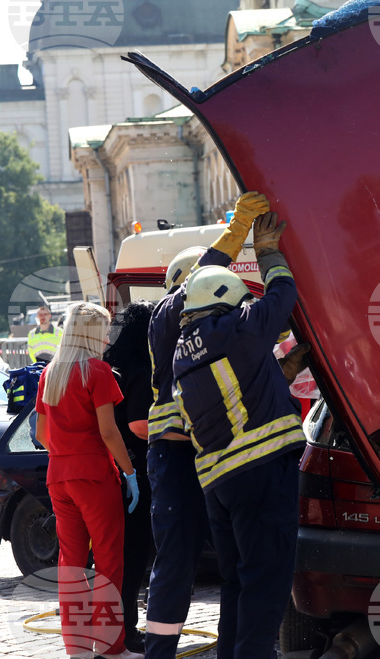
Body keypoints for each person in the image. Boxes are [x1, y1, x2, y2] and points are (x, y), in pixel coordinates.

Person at [173, 211, 305, 659]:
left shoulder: (184, 348)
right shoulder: (237, 327)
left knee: (237, 583)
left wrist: (279, 373)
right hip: (261, 473)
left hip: (218, 484)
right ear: (228, 299)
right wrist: (267, 251)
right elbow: (283, 294)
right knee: (267, 584)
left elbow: (235, 389)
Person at [143, 192, 269, 659]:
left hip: (208, 455)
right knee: (177, 561)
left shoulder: (204, 327)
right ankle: (159, 653)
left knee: (232, 565)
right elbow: (210, 266)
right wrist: (239, 227)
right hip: (176, 456)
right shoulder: (168, 314)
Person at [35, 301, 143, 659]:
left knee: (71, 563)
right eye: (105, 329)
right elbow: (110, 433)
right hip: (94, 477)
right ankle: (112, 648)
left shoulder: (50, 373)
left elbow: (41, 434)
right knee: (109, 562)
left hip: (59, 476)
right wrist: (130, 473)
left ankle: (77, 649)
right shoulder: (98, 372)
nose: (109, 336)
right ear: (93, 333)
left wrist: (67, 452)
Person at [104, 301, 156, 653]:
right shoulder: (141, 366)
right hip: (135, 469)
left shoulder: (107, 364)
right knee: (134, 554)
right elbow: (140, 426)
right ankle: (127, 629)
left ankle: (108, 628)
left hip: (106, 470)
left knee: (112, 555)